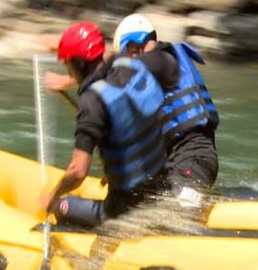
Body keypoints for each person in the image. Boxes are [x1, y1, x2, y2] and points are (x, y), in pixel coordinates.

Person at [39, 21, 171, 227]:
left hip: (124, 209)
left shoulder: (91, 102)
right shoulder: (127, 66)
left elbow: (78, 172)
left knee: (61, 206)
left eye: (68, 65)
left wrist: (53, 196)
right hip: (162, 189)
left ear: (79, 63)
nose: (69, 72)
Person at [112, 13, 220, 193]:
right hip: (174, 165)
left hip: (193, 161)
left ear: (133, 47)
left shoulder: (160, 61)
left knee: (176, 211)